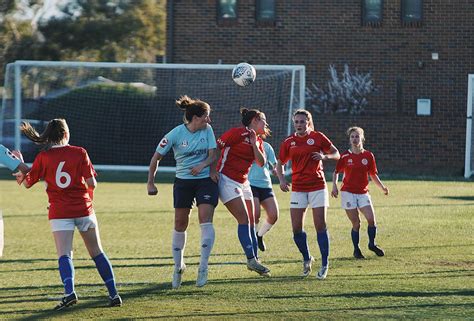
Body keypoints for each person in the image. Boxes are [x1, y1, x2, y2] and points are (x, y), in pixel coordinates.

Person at [12, 119, 122, 310]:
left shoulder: (43, 156)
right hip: (83, 209)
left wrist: (20, 166)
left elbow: (28, 182)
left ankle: (70, 293)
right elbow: (92, 184)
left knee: (64, 254)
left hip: (60, 211)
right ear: (65, 134)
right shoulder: (79, 152)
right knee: (97, 252)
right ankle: (114, 294)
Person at [147, 96, 218, 289]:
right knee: (180, 223)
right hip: (183, 182)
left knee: (205, 219)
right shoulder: (175, 134)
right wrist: (150, 183)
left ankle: (203, 267)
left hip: (205, 181)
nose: (209, 121)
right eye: (206, 117)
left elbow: (214, 154)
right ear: (195, 118)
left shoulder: (208, 130)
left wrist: (204, 166)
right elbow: (156, 158)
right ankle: (178, 266)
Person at [276, 109, 340, 280]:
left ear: (308, 123)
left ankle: (325, 263)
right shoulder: (289, 142)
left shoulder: (318, 137)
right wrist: (282, 180)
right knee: (296, 228)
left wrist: (324, 157)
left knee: (320, 225)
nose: (299, 125)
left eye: (302, 122)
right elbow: (280, 163)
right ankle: (307, 258)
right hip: (298, 188)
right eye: (296, 122)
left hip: (318, 186)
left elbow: (337, 154)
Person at [216, 108, 271, 276]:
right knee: (244, 219)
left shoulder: (259, 141)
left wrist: (254, 143)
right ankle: (251, 260)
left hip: (244, 183)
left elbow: (261, 163)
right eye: (263, 120)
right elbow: (215, 148)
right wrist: (211, 171)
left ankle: (255, 259)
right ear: (254, 120)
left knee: (252, 220)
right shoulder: (236, 133)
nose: (266, 124)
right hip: (226, 179)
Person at [331, 126, 389, 259]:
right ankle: (356, 249)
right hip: (348, 193)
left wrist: (382, 187)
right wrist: (334, 186)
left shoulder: (368, 156)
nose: (355, 139)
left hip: (363, 193)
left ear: (362, 138)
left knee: (371, 220)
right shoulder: (345, 156)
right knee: (356, 223)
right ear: (349, 139)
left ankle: (372, 244)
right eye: (352, 137)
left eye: (357, 136)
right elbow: (336, 172)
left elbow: (373, 174)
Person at [248, 140, 279, 252]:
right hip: (250, 184)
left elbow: (275, 163)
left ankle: (259, 235)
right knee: (255, 214)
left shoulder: (267, 146)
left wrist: (276, 169)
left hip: (266, 185)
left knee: (274, 215)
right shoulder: (245, 145)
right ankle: (252, 244)